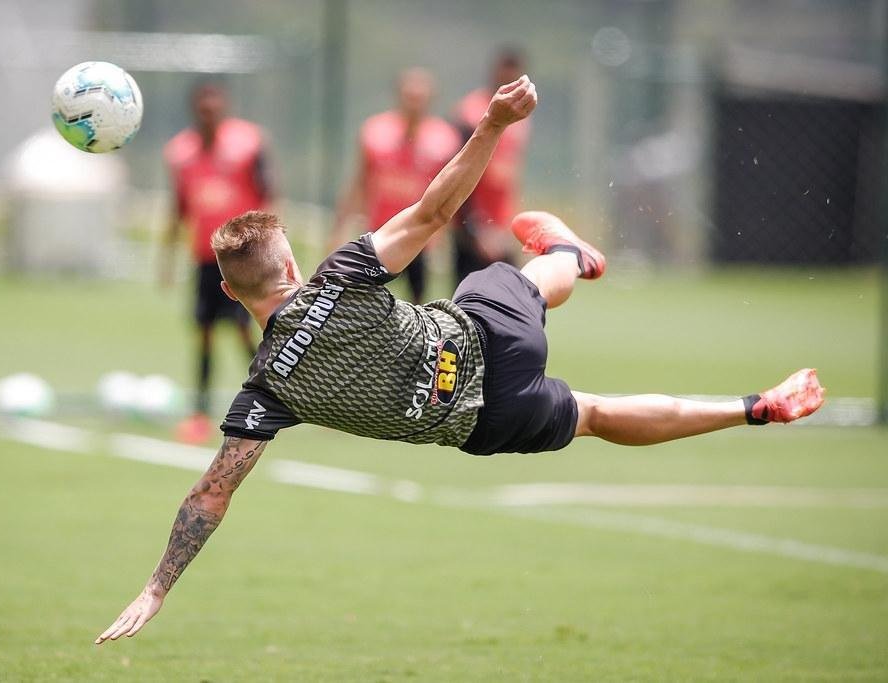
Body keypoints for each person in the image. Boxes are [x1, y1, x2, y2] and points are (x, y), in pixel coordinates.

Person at [96, 75, 824, 644]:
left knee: (597, 415)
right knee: (510, 282)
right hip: (486, 336)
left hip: (485, 421)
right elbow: (435, 212)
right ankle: (571, 255)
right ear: (290, 262)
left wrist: (156, 587)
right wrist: (492, 125)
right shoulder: (339, 276)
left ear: (229, 291)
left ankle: (754, 407)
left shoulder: (266, 389)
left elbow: (211, 494)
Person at [160, 81, 275, 444]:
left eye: (214, 107)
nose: (209, 113)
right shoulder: (181, 152)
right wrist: (167, 256)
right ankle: (200, 411)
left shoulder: (248, 144)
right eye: (203, 108)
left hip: (243, 258)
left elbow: (268, 196)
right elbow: (179, 207)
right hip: (205, 259)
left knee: (244, 328)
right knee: (204, 333)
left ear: (223, 108)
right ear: (196, 110)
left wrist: (271, 247)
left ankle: (275, 394)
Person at [331, 67, 461, 302]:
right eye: (410, 97)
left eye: (420, 98)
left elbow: (450, 194)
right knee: (364, 301)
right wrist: (340, 226)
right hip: (378, 233)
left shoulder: (444, 139)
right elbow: (359, 182)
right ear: (399, 96)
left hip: (418, 236)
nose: (414, 104)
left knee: (417, 303)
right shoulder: (375, 132)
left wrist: (442, 238)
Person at [453, 47, 531, 285]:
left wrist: (509, 224)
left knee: (513, 293)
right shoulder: (471, 112)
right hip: (473, 225)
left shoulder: (521, 116)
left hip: (501, 226)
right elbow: (459, 172)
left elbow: (509, 177)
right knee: (467, 296)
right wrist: (476, 229)